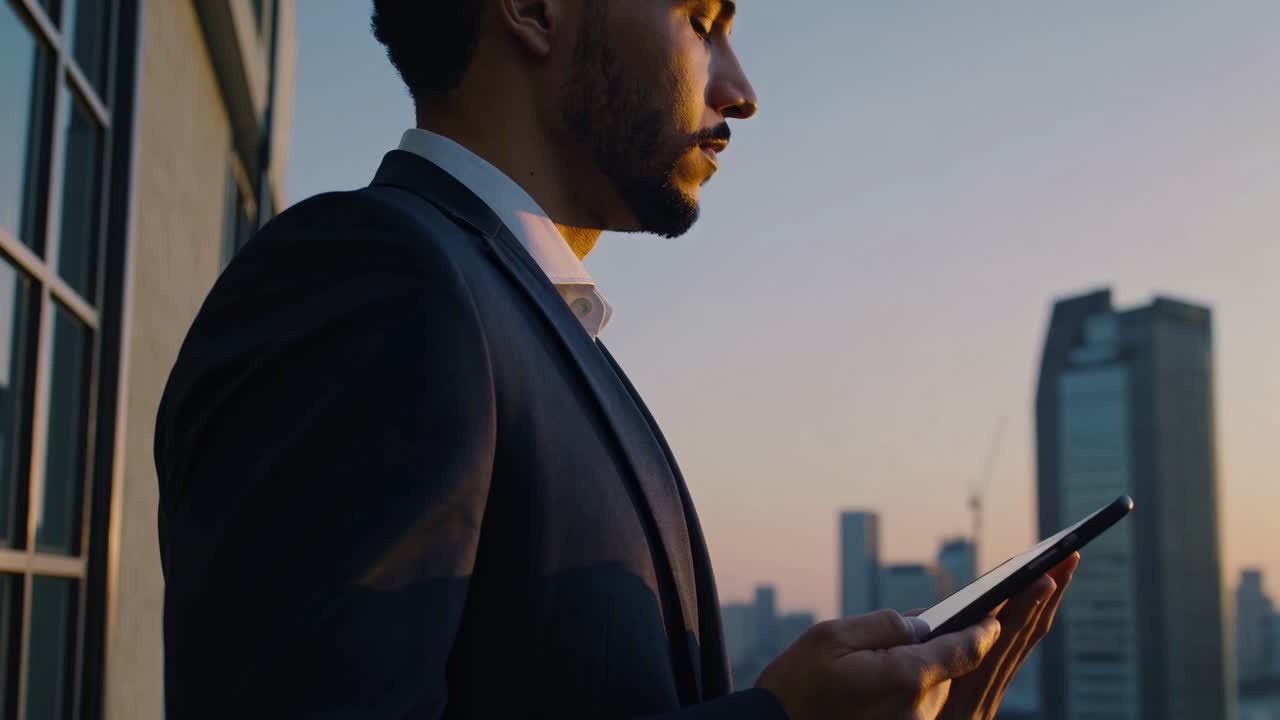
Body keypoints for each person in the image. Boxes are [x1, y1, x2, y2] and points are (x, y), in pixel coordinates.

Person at [154, 1, 1079, 717]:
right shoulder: (374, 281)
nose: (741, 89)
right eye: (702, 20)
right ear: (533, 8)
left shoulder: (523, 324)